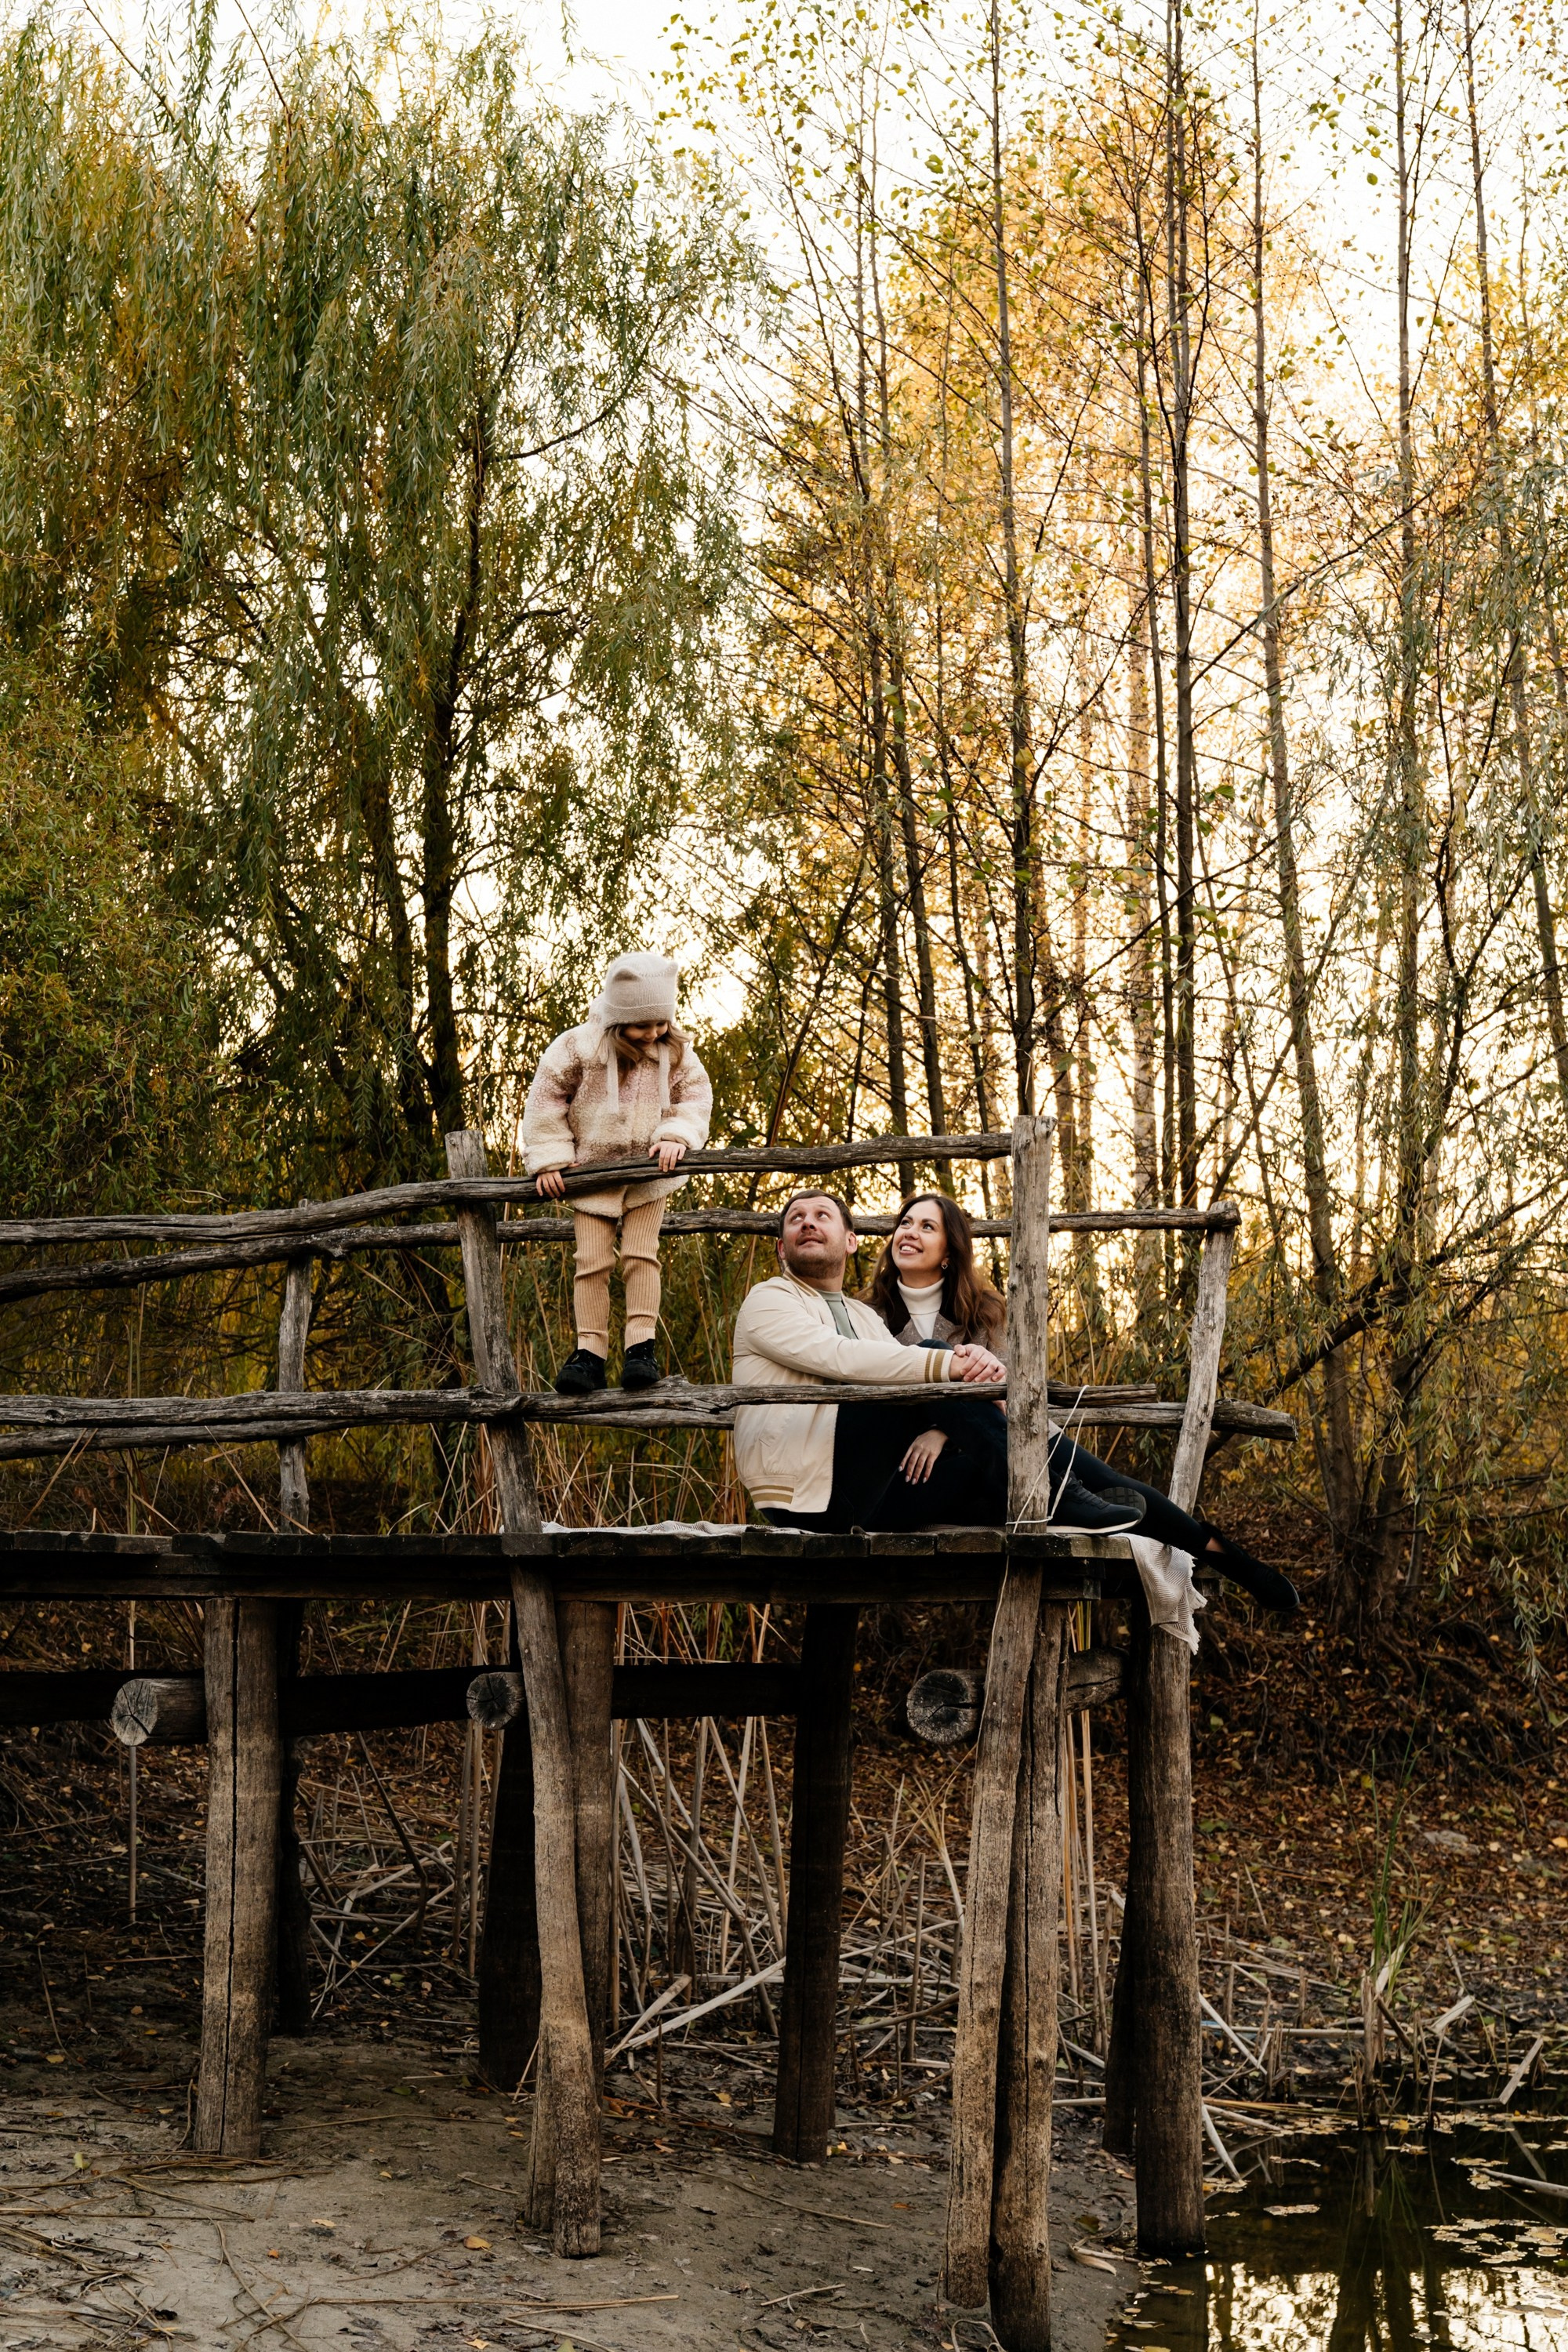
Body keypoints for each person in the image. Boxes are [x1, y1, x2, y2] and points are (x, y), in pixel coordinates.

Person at [862, 1190, 1300, 1610]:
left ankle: (1228, 1556)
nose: (909, 1233)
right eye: (904, 1224)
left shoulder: (984, 1308)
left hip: (997, 1440)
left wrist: (942, 1430)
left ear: (949, 1251)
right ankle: (1081, 1508)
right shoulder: (869, 1313)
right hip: (912, 1469)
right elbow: (870, 1398)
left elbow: (1005, 1387)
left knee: (1101, 1477)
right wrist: (935, 1425)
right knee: (1042, 1478)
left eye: (926, 1227)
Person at [730, 1191, 1142, 1534]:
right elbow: (844, 1359)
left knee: (976, 1472)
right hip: (804, 1498)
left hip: (871, 1497)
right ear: (782, 1247)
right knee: (932, 1350)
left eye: (822, 1216)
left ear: (851, 1241)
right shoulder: (768, 1300)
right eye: (796, 1218)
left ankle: (1089, 1509)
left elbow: (891, 1369)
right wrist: (951, 1364)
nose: (808, 1222)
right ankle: (1062, 1495)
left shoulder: (863, 1316)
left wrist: (964, 1372)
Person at [523, 953, 713, 1394]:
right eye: (642, 1025)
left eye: (660, 1022)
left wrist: (676, 1134)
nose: (653, 1033)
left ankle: (640, 1348)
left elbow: (695, 1098)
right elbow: (546, 1098)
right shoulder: (578, 1048)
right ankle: (589, 1352)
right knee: (591, 1263)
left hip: (651, 1175)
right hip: (592, 1175)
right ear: (617, 1018)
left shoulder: (675, 1052)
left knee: (642, 1257)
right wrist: (551, 1157)